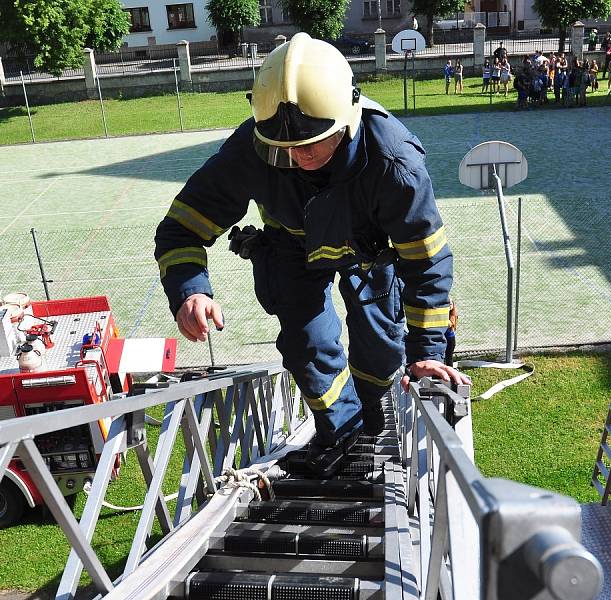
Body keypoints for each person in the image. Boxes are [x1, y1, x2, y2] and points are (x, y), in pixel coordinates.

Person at [154, 33, 468, 478]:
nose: (295, 157)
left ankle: (374, 421)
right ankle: (342, 436)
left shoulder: (393, 163)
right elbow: (181, 228)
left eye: (311, 145)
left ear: (346, 121)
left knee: (380, 350)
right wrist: (190, 291)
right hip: (292, 249)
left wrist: (428, 351)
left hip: (370, 255)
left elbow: (426, 261)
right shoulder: (253, 147)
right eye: (281, 149)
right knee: (307, 345)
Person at [444, 299, 458, 367]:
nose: (449, 305)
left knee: (449, 357)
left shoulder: (452, 315)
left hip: (450, 339)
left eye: (451, 304)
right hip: (442, 339)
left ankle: (450, 373)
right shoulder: (442, 313)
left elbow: (449, 324)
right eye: (447, 303)